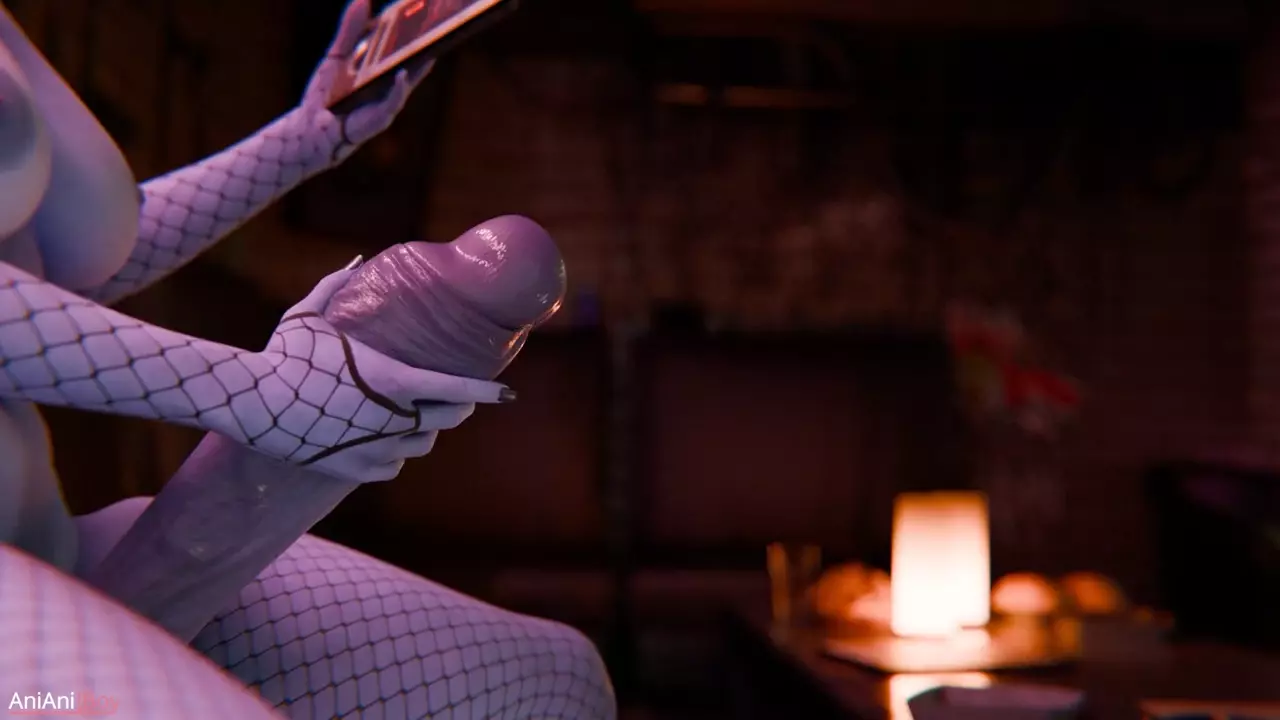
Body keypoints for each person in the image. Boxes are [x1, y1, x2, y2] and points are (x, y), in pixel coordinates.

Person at [0, 2, 615, 717]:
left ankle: (169, 575)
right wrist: (259, 395)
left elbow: (69, 262)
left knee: (562, 682)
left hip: (61, 549)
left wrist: (300, 142)